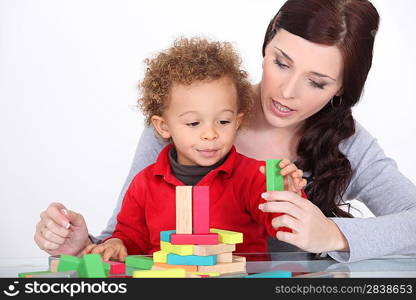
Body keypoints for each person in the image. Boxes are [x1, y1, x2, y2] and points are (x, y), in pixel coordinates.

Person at [34, 0, 416, 263]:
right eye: (281, 63)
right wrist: (80, 245)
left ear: (341, 91)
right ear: (265, 45)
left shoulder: (349, 145)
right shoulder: (188, 115)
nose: (286, 92)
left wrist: (334, 235)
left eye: (316, 83)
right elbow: (128, 238)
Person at [74, 37, 306, 261]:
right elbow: (131, 238)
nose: (210, 134)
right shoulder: (144, 184)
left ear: (237, 121)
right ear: (163, 127)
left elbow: (285, 227)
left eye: (223, 121)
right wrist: (117, 244)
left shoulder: (255, 177)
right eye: (194, 123)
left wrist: (289, 197)